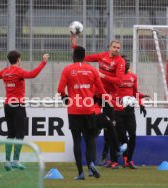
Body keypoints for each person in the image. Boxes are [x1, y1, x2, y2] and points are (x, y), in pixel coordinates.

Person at [71, 35, 126, 169]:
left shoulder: (120, 62)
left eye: (119, 48)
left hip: (109, 96)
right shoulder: (102, 56)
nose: (116, 49)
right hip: (97, 94)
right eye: (114, 47)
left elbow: (119, 81)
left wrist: (103, 76)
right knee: (93, 122)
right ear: (109, 47)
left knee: (110, 126)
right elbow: (85, 57)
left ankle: (113, 156)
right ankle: (95, 156)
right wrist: (74, 45)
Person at [58, 46, 111, 180]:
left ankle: (80, 173)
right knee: (90, 139)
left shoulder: (67, 69)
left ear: (74, 56)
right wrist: (104, 99)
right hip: (89, 109)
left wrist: (65, 98)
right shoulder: (92, 70)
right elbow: (102, 91)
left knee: (76, 140)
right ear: (84, 55)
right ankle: (91, 166)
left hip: (74, 110)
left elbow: (60, 89)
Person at [0, 51, 49, 171]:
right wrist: (43, 62)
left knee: (10, 134)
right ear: (18, 59)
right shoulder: (19, 71)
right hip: (18, 106)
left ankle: (7, 162)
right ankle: (15, 161)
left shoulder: (5, 71)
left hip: (7, 105)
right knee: (20, 134)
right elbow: (32, 74)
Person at [100, 55, 148, 169]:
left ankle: (129, 160)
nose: (126, 63)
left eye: (128, 62)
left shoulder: (133, 77)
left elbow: (135, 92)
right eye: (124, 62)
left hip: (130, 111)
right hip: (116, 110)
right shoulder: (113, 78)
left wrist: (141, 103)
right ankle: (114, 161)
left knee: (132, 135)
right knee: (117, 135)